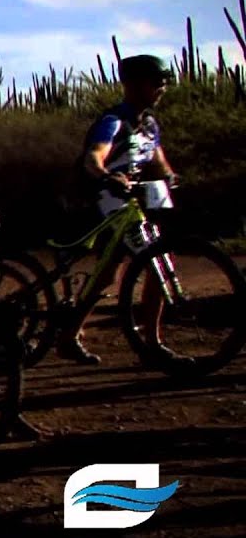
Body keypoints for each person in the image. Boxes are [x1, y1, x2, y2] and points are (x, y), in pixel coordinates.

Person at [65, 53, 187, 367]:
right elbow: (94, 158)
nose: (163, 87)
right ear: (133, 85)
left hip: (136, 202)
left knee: (108, 275)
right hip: (108, 200)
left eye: (165, 82)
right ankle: (152, 344)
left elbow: (157, 160)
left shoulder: (148, 123)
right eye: (156, 81)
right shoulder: (113, 121)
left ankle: (69, 335)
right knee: (154, 260)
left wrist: (170, 176)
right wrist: (108, 175)